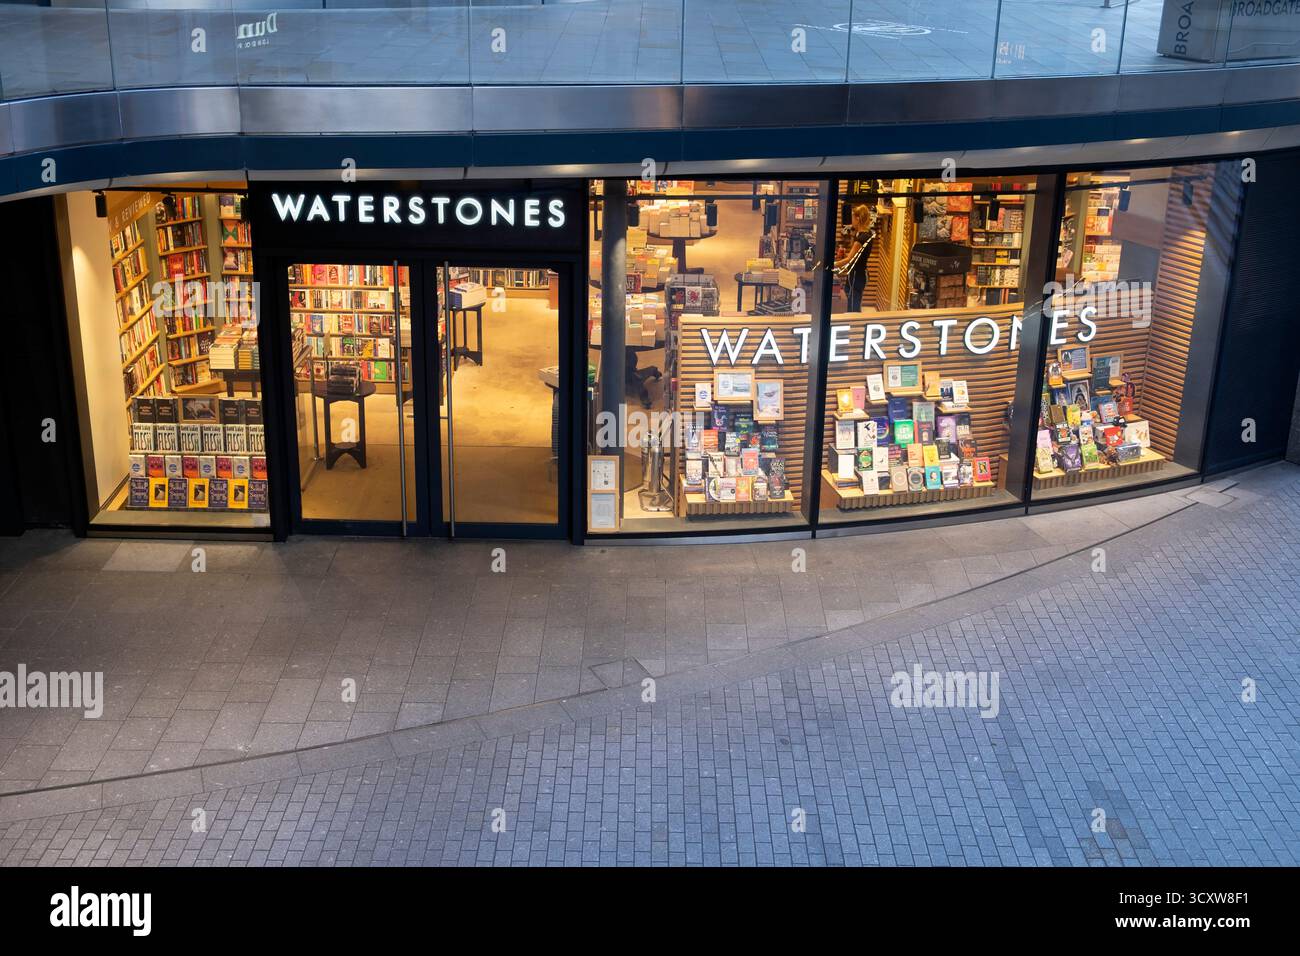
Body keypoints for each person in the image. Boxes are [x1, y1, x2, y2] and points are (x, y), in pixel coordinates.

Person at [835, 204, 877, 312]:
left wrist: (832, 265)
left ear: (858, 219)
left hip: (856, 275)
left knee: (852, 306)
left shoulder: (861, 238)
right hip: (861, 273)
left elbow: (849, 259)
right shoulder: (867, 233)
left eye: (853, 218)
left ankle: (854, 326)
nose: (852, 220)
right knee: (854, 300)